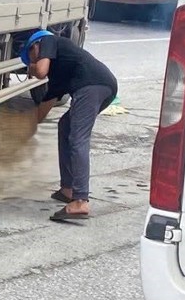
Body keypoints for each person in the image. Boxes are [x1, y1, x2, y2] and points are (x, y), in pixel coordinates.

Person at [21, 30, 118, 222]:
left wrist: (30, 68)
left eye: (30, 56)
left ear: (35, 46)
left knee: (78, 138)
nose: (32, 61)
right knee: (65, 126)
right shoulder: (60, 72)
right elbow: (45, 105)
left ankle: (80, 200)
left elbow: (40, 71)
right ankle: (68, 189)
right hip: (102, 86)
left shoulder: (48, 40)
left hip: (91, 85)